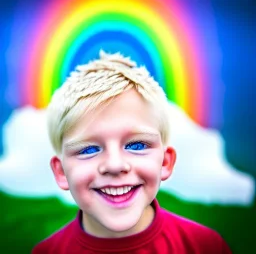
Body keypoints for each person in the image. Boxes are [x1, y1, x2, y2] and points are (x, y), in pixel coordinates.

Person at [32, 51, 232, 253]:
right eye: (89, 149)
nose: (115, 165)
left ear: (165, 162)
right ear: (61, 172)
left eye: (136, 146)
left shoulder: (205, 246)